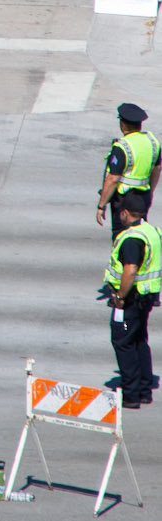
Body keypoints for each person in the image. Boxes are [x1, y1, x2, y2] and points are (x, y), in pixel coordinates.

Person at [103, 200, 160, 409]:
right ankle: (144, 390)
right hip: (146, 298)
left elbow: (130, 270)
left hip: (130, 300)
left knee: (123, 342)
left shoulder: (131, 238)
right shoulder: (152, 231)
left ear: (125, 212)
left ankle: (131, 394)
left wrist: (119, 297)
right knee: (138, 340)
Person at [99, 103, 161, 234]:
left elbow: (113, 179)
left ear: (122, 124)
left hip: (124, 199)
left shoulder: (122, 146)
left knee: (123, 237)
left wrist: (101, 205)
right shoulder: (152, 141)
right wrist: (150, 192)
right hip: (143, 197)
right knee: (140, 233)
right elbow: (157, 168)